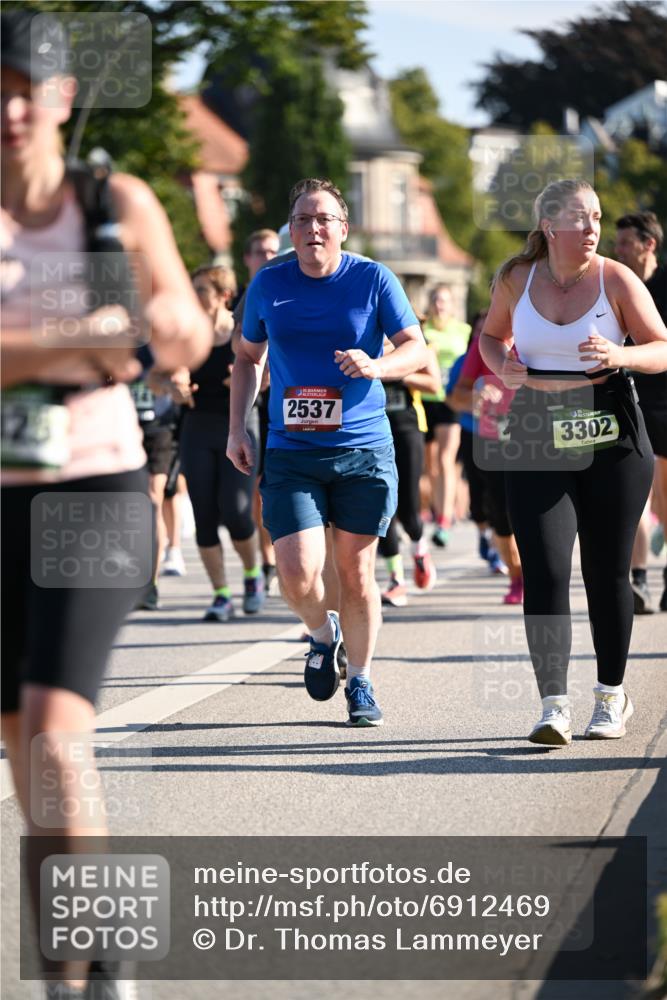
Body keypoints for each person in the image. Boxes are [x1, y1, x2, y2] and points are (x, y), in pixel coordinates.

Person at [0, 9, 212, 998]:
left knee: (53, 727)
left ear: (62, 98)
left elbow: (179, 334)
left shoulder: (110, 199)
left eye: (26, 88)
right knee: (26, 756)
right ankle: (79, 959)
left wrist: (34, 346)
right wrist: (90, 335)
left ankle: (89, 969)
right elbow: (132, 331)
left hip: (95, 483)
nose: (9, 108)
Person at [227, 177, 428, 726]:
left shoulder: (373, 279)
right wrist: (238, 429)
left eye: (323, 219)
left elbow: (417, 349)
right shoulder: (269, 284)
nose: (312, 229)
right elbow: (246, 357)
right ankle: (323, 633)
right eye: (301, 220)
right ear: (290, 229)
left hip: (362, 447)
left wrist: (377, 366)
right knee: (294, 572)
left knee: (357, 572)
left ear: (342, 226)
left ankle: (361, 681)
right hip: (292, 448)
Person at [480, 178, 667, 746]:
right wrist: (503, 367)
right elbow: (491, 337)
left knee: (606, 571)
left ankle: (611, 696)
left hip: (610, 427)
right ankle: (552, 705)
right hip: (537, 425)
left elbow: (662, 347)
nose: (590, 229)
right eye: (579, 218)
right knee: (546, 568)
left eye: (596, 217)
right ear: (549, 226)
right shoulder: (519, 278)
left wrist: (620, 354)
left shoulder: (616, 278)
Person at [181, 265, 266, 621]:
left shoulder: (242, 330)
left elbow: (268, 375)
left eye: (201, 289)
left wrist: (246, 383)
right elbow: (157, 374)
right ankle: (220, 594)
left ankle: (252, 575)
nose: (194, 296)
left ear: (223, 296)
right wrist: (172, 385)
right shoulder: (187, 334)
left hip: (241, 424)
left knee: (236, 508)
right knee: (203, 514)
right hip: (197, 427)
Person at [448, 315, 523, 604]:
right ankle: (517, 577)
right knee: (501, 513)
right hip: (492, 439)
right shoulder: (481, 346)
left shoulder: (541, 337)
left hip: (535, 437)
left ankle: (540, 575)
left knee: (535, 511)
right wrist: (477, 395)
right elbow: (457, 397)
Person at [615, 211, 667, 613]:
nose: (617, 250)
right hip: (625, 401)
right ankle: (638, 581)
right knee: (633, 496)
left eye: (625, 243)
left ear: (648, 244)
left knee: (665, 497)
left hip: (665, 402)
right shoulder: (612, 283)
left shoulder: (664, 285)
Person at [378, 337, 441, 607]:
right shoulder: (362, 343)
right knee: (381, 507)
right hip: (375, 431)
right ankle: (396, 579)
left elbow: (434, 386)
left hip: (408, 428)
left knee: (408, 506)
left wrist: (397, 371)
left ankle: (419, 548)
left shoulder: (416, 345)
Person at [241, 229, 280, 594]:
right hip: (251, 403)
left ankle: (277, 556)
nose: (266, 257)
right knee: (256, 488)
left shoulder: (288, 285)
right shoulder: (243, 299)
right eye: (259, 252)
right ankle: (266, 559)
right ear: (247, 259)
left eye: (273, 251)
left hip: (287, 404)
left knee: (271, 487)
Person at [420, 284, 471, 547]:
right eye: (436, 300)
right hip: (425, 400)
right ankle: (435, 509)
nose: (440, 305)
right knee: (431, 467)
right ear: (430, 303)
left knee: (446, 459)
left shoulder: (463, 330)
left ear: (451, 305)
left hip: (449, 400)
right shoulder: (422, 329)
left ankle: (444, 520)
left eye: (445, 301)